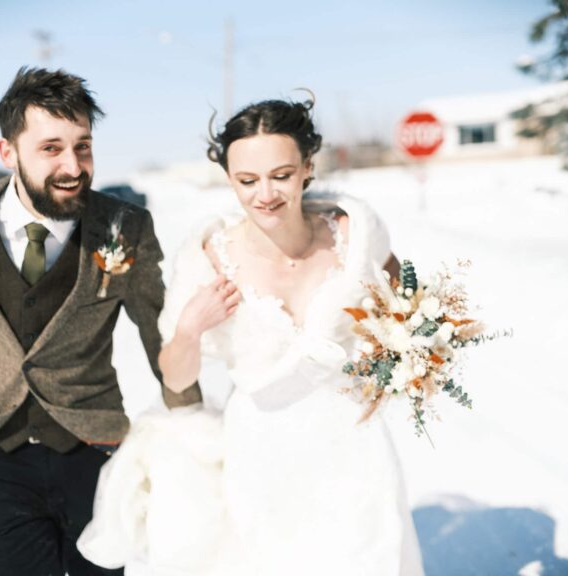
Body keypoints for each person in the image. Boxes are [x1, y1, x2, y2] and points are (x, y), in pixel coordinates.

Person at [0, 67, 201, 576]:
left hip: (92, 446)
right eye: (51, 148)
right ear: (9, 152)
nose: (73, 166)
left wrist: (191, 421)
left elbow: (157, 325)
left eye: (83, 146)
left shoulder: (125, 225)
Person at [78, 97, 424, 575]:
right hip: (263, 450)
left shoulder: (354, 234)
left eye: (281, 175)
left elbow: (409, 308)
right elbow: (175, 378)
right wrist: (190, 328)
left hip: (353, 443)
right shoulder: (210, 257)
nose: (265, 194)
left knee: (366, 557)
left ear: (307, 168)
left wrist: (398, 361)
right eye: (247, 180)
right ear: (230, 179)